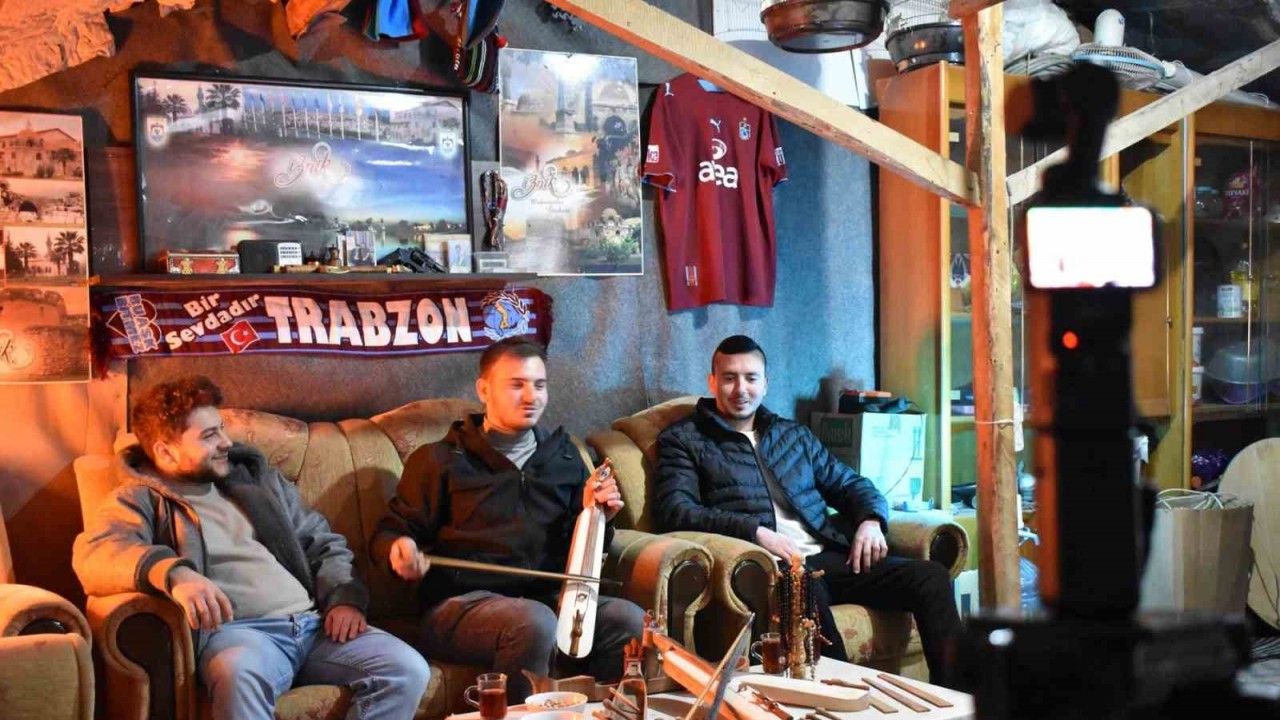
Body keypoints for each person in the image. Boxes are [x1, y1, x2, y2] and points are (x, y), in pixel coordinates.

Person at [73, 376, 430, 720]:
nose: (226, 442)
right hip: (241, 635)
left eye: (221, 429)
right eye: (209, 435)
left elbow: (322, 541)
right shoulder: (139, 498)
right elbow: (96, 554)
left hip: (313, 625)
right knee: (237, 674)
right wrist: (174, 573)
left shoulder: (257, 480)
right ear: (166, 452)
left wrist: (345, 598)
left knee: (407, 669)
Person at [653, 335, 961, 682]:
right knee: (800, 586)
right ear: (712, 382)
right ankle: (843, 695)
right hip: (774, 566)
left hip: (829, 556)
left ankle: (958, 697)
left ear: (765, 384)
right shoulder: (685, 439)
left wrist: (871, 520)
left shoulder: (792, 435)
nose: (741, 389)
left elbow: (850, 484)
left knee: (931, 578)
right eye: (729, 378)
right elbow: (675, 510)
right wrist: (755, 531)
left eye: (751, 378)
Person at [372, 337, 645, 700]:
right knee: (534, 622)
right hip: (461, 605)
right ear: (483, 390)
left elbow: (578, 551)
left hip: (550, 598)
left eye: (540, 385)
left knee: (629, 620)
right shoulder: (440, 459)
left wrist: (596, 518)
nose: (531, 397)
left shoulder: (564, 456)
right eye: (517, 385)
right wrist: (399, 549)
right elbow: (391, 531)